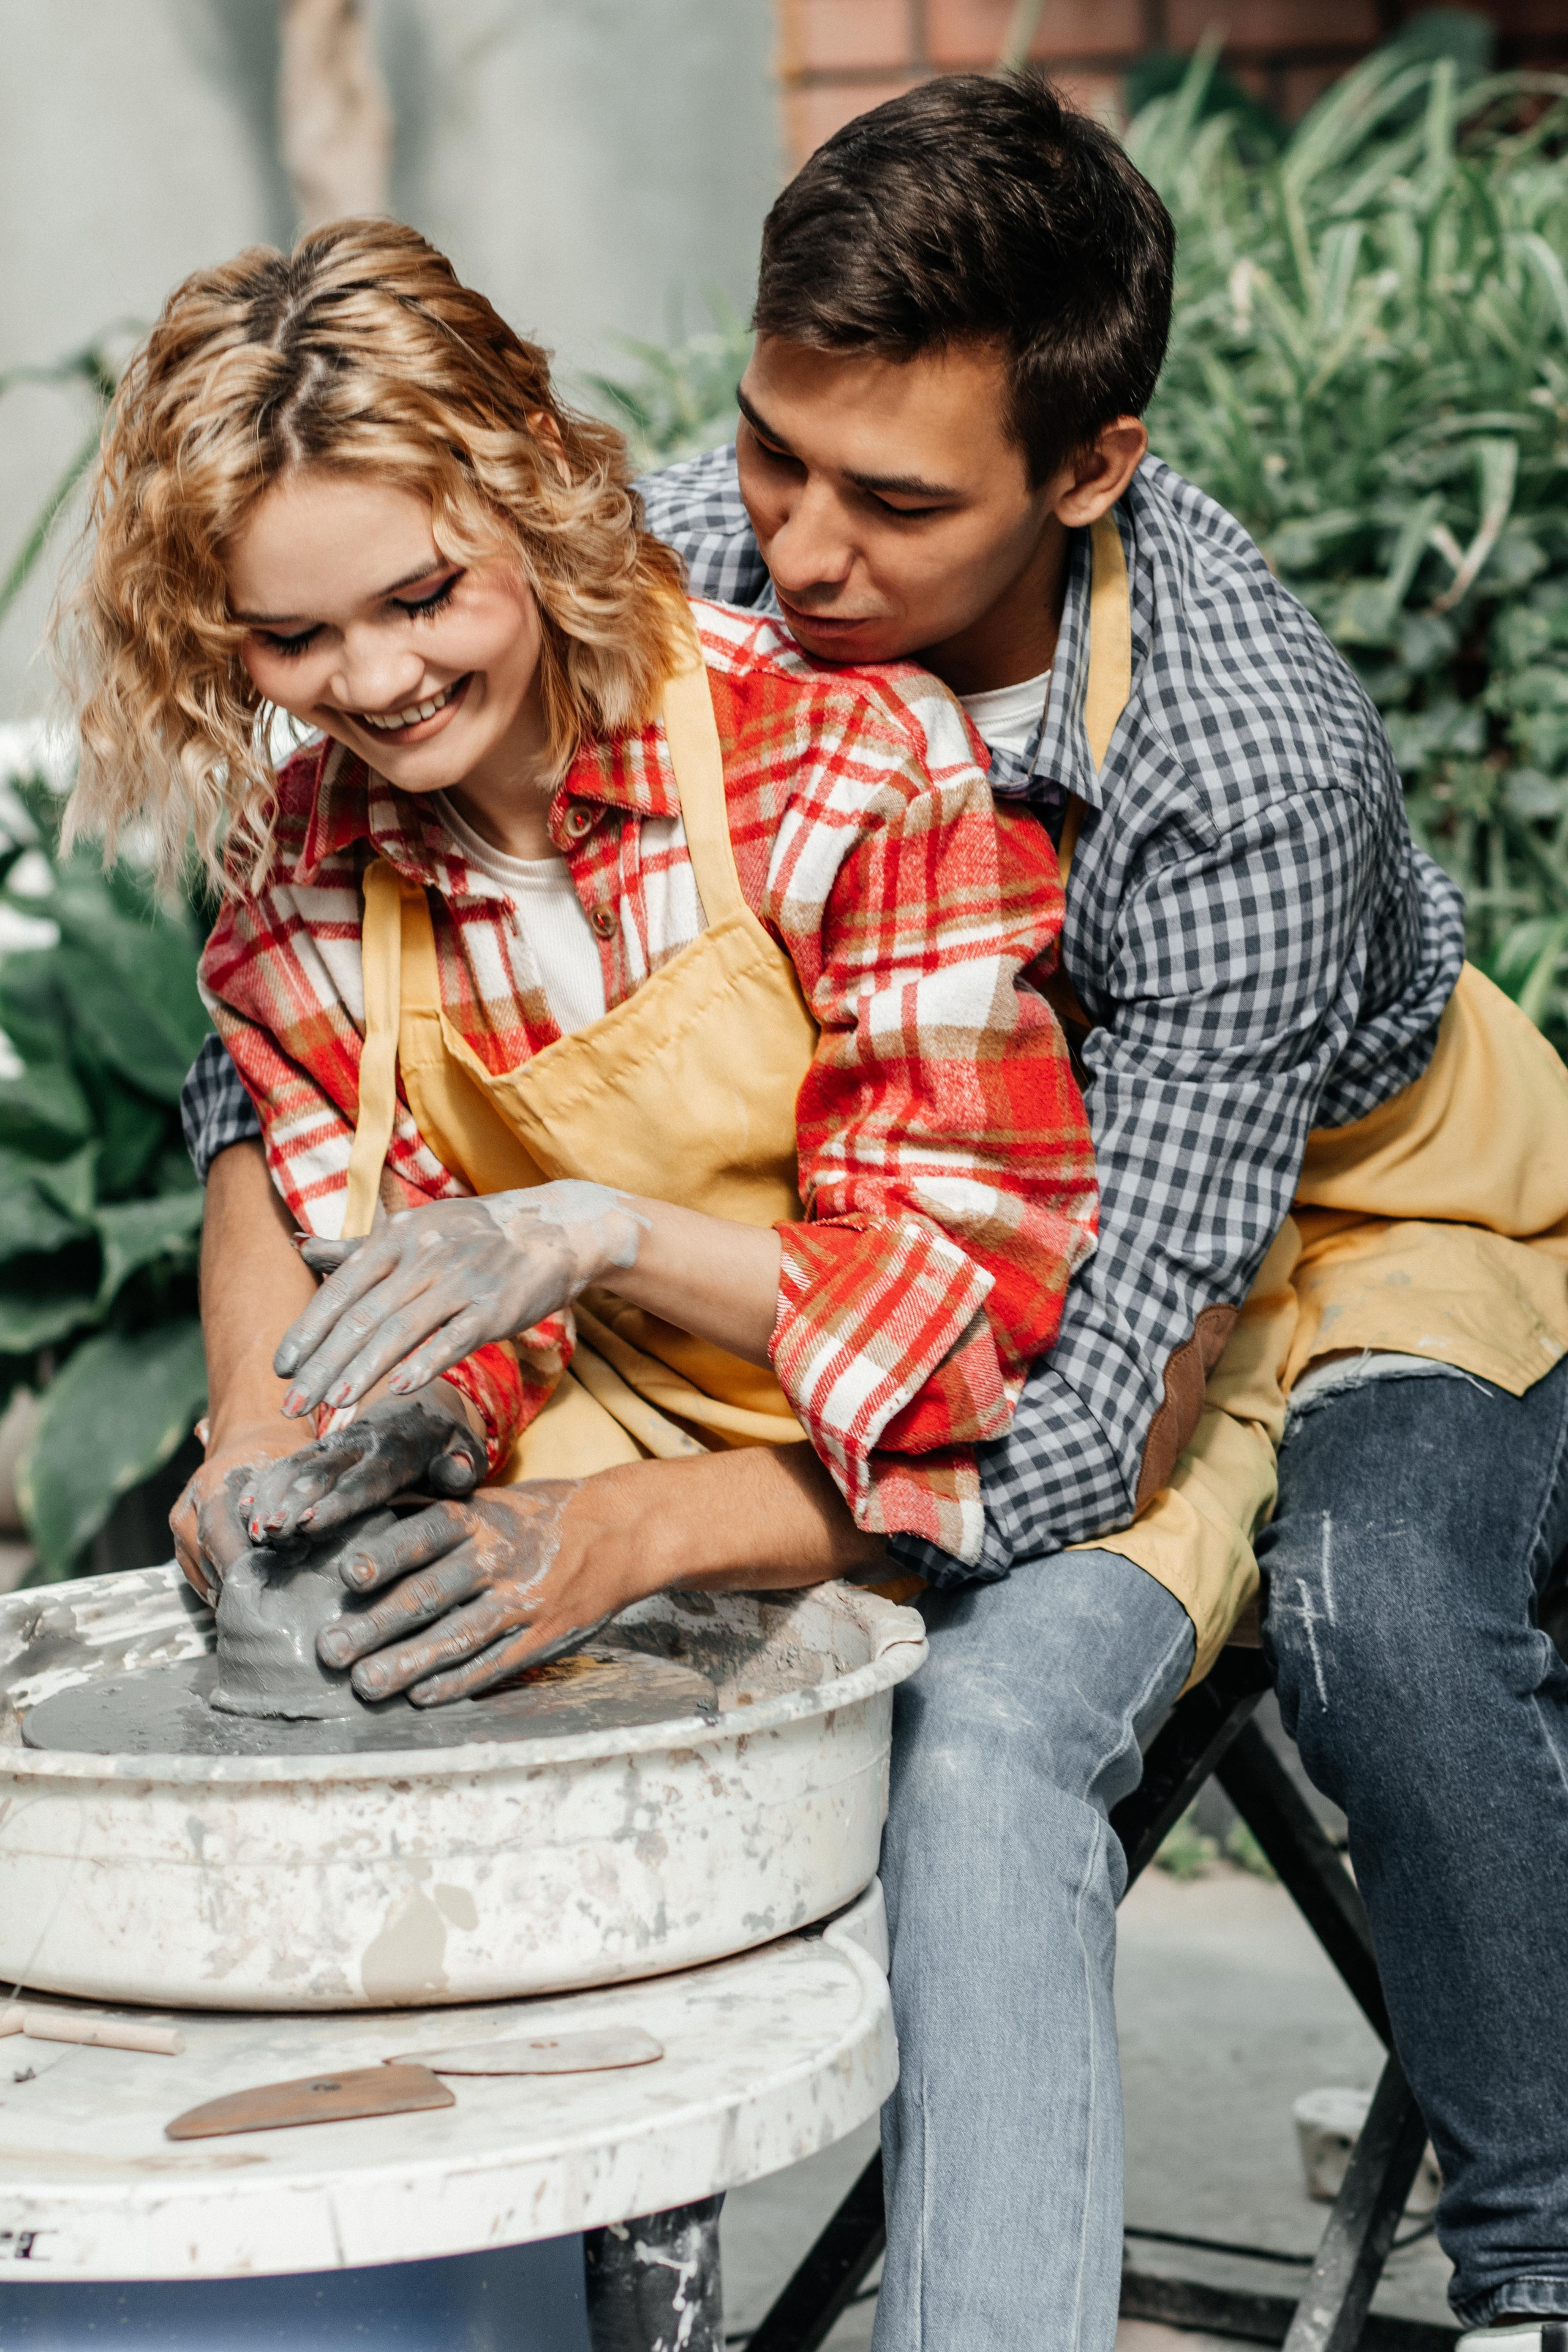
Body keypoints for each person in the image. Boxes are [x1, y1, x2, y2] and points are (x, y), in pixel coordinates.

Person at [173, 76, 1568, 2352]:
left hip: (1333, 1218)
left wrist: (635, 1522)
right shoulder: (633, 567)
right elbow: (276, 1036)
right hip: (881, 1233)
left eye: (895, 502)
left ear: (1089, 470)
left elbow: (1080, 1421)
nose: (800, 554)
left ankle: (1539, 2251)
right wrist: (277, 1403)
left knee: (1362, 1609)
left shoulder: (1245, 766)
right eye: (771, 452)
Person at [59, 216, 1098, 1705]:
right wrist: (365, 1428)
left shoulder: (840, 763)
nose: (376, 682)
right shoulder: (301, 875)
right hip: (602, 1416)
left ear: (532, 478)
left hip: (920, 1449)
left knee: (968, 1781)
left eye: (423, 598)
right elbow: (424, 1298)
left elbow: (962, 1327)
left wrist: (595, 1232)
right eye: (291, 638)